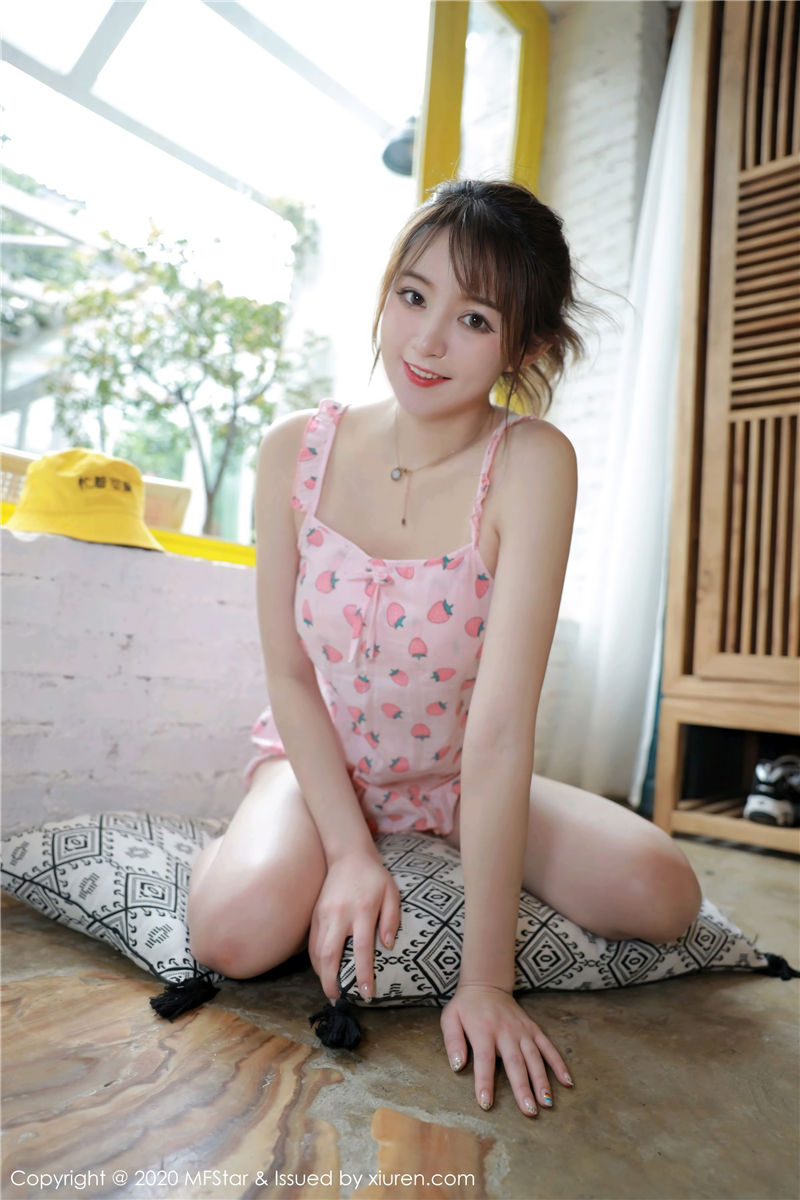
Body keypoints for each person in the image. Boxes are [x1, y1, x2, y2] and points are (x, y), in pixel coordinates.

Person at [187, 179, 702, 1118]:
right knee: (232, 936)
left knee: (664, 894)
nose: (426, 341)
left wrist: (486, 981)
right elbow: (289, 674)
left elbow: (500, 730)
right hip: (320, 761)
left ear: (525, 347)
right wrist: (350, 853)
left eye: (473, 319)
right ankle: (259, 842)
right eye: (413, 296)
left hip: (459, 775)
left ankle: (415, 842)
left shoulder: (532, 463)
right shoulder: (293, 448)